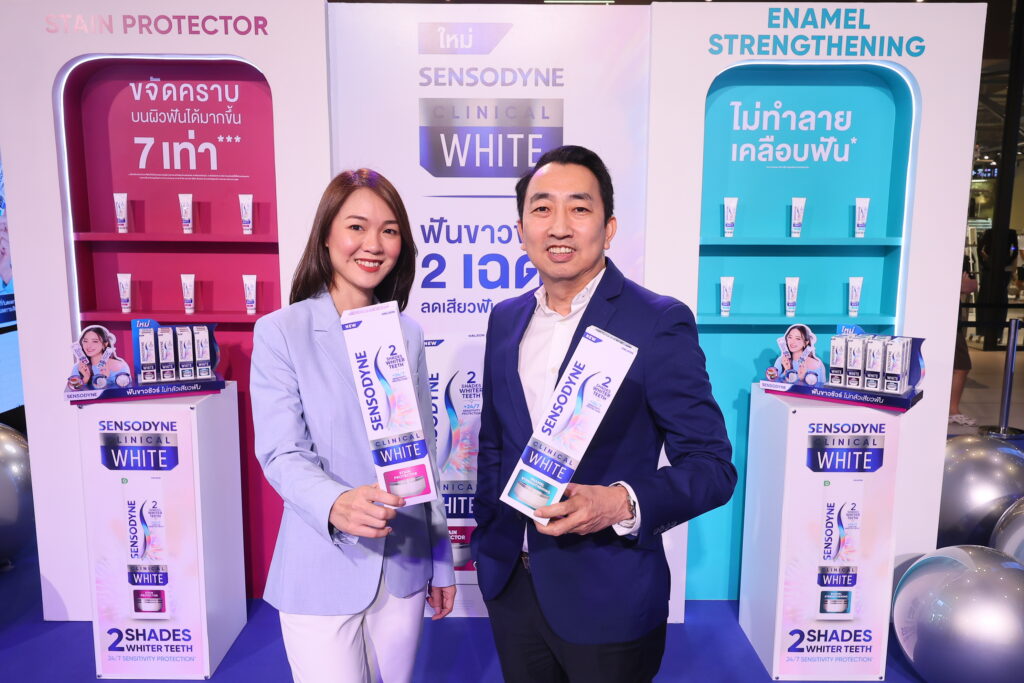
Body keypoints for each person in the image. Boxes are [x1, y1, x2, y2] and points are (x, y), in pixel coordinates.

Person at [472, 145, 736, 682]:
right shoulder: (505, 319)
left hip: (609, 596)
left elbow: (712, 467)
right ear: (521, 230)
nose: (559, 226)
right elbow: (495, 443)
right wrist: (488, 543)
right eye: (542, 209)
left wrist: (619, 503)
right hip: (512, 588)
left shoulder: (657, 321)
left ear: (609, 228)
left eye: (579, 208)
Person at [250, 169, 455, 683]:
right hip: (321, 562)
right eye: (357, 227)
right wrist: (335, 502)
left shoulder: (406, 333)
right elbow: (280, 452)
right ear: (326, 235)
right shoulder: (282, 331)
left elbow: (423, 455)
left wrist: (440, 561)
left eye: (389, 230)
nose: (374, 244)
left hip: (404, 562)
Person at [950, 256, 978, 426]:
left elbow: (971, 286)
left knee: (961, 366)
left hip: (953, 321)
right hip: (945, 320)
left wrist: (960, 285)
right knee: (961, 366)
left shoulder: (961, 257)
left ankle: (952, 410)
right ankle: (952, 411)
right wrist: (958, 285)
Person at [67, 325, 129, 390]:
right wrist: (86, 378)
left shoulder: (119, 366)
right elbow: (73, 391)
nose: (89, 346)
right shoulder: (78, 368)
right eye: (85, 341)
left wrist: (106, 379)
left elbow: (125, 391)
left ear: (105, 344)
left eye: (95, 341)